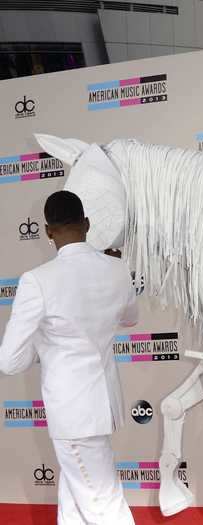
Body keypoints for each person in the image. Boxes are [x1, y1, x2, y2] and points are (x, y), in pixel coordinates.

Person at [0, 190, 138, 525]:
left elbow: (9, 362)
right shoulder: (118, 269)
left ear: (48, 232)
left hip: (72, 412)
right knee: (74, 504)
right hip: (102, 405)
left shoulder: (38, 281)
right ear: (86, 224)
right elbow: (131, 318)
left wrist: (43, 343)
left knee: (105, 507)